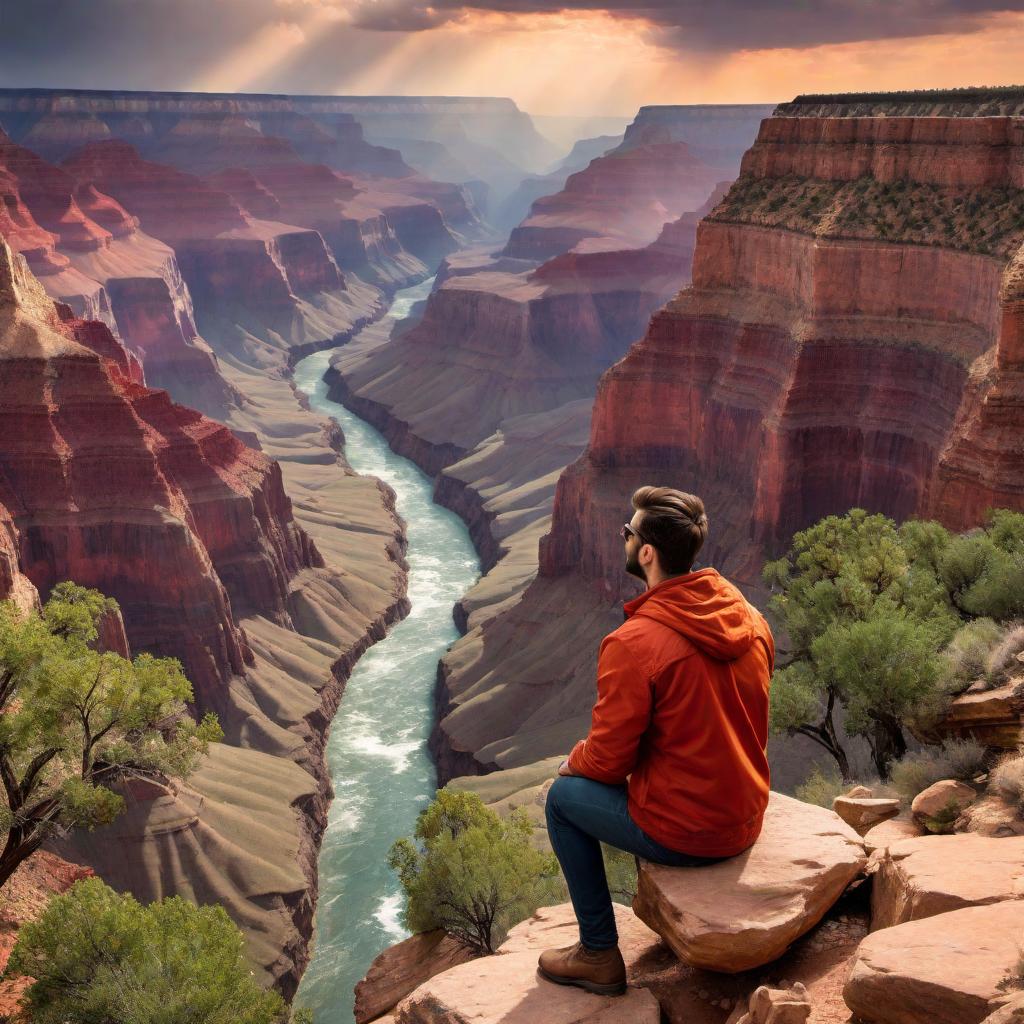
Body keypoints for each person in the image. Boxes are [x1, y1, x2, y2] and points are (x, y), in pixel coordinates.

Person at [537, 485, 774, 996]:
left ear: (646, 552)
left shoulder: (634, 644)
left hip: (688, 833)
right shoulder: (752, 620)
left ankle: (598, 953)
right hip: (747, 817)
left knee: (562, 800)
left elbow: (606, 760)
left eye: (628, 531)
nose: (622, 536)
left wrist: (571, 764)